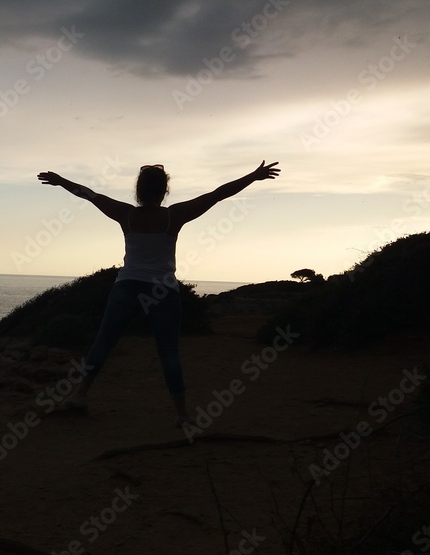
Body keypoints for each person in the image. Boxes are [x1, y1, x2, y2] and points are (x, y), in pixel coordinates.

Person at [37, 161, 281, 427]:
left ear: (138, 190)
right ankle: (182, 415)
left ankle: (80, 396)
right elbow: (218, 194)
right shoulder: (173, 216)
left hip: (127, 286)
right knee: (168, 352)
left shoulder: (126, 214)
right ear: (164, 190)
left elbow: (88, 194)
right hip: (162, 290)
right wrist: (254, 176)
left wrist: (61, 180)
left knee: (103, 343)